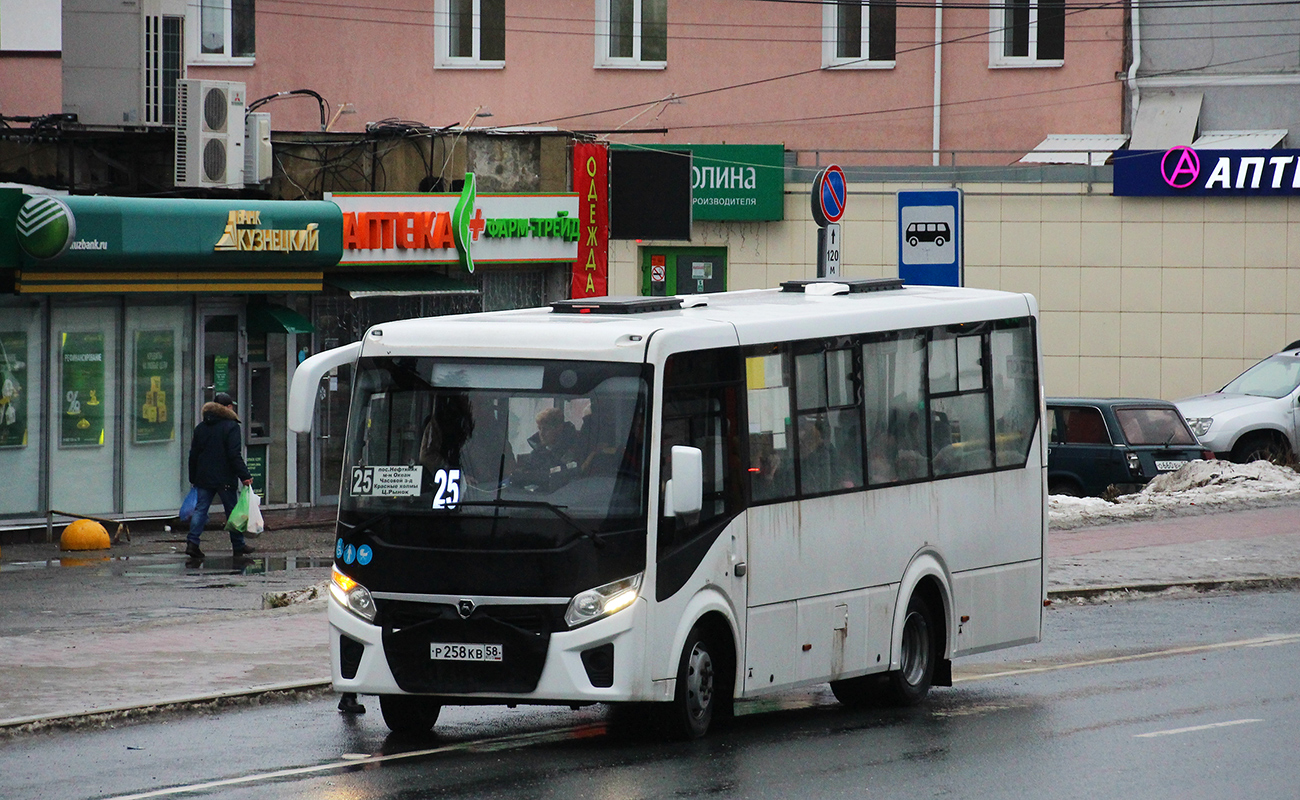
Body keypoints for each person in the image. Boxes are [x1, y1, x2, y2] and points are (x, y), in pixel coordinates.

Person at [186, 392, 254, 559]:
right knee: (232, 512)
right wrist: (244, 475)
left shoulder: (201, 428)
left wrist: (193, 477)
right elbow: (234, 454)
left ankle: (192, 543)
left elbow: (193, 454)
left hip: (203, 476)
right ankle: (238, 546)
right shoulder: (231, 426)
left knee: (201, 510)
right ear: (228, 407)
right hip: (224, 477)